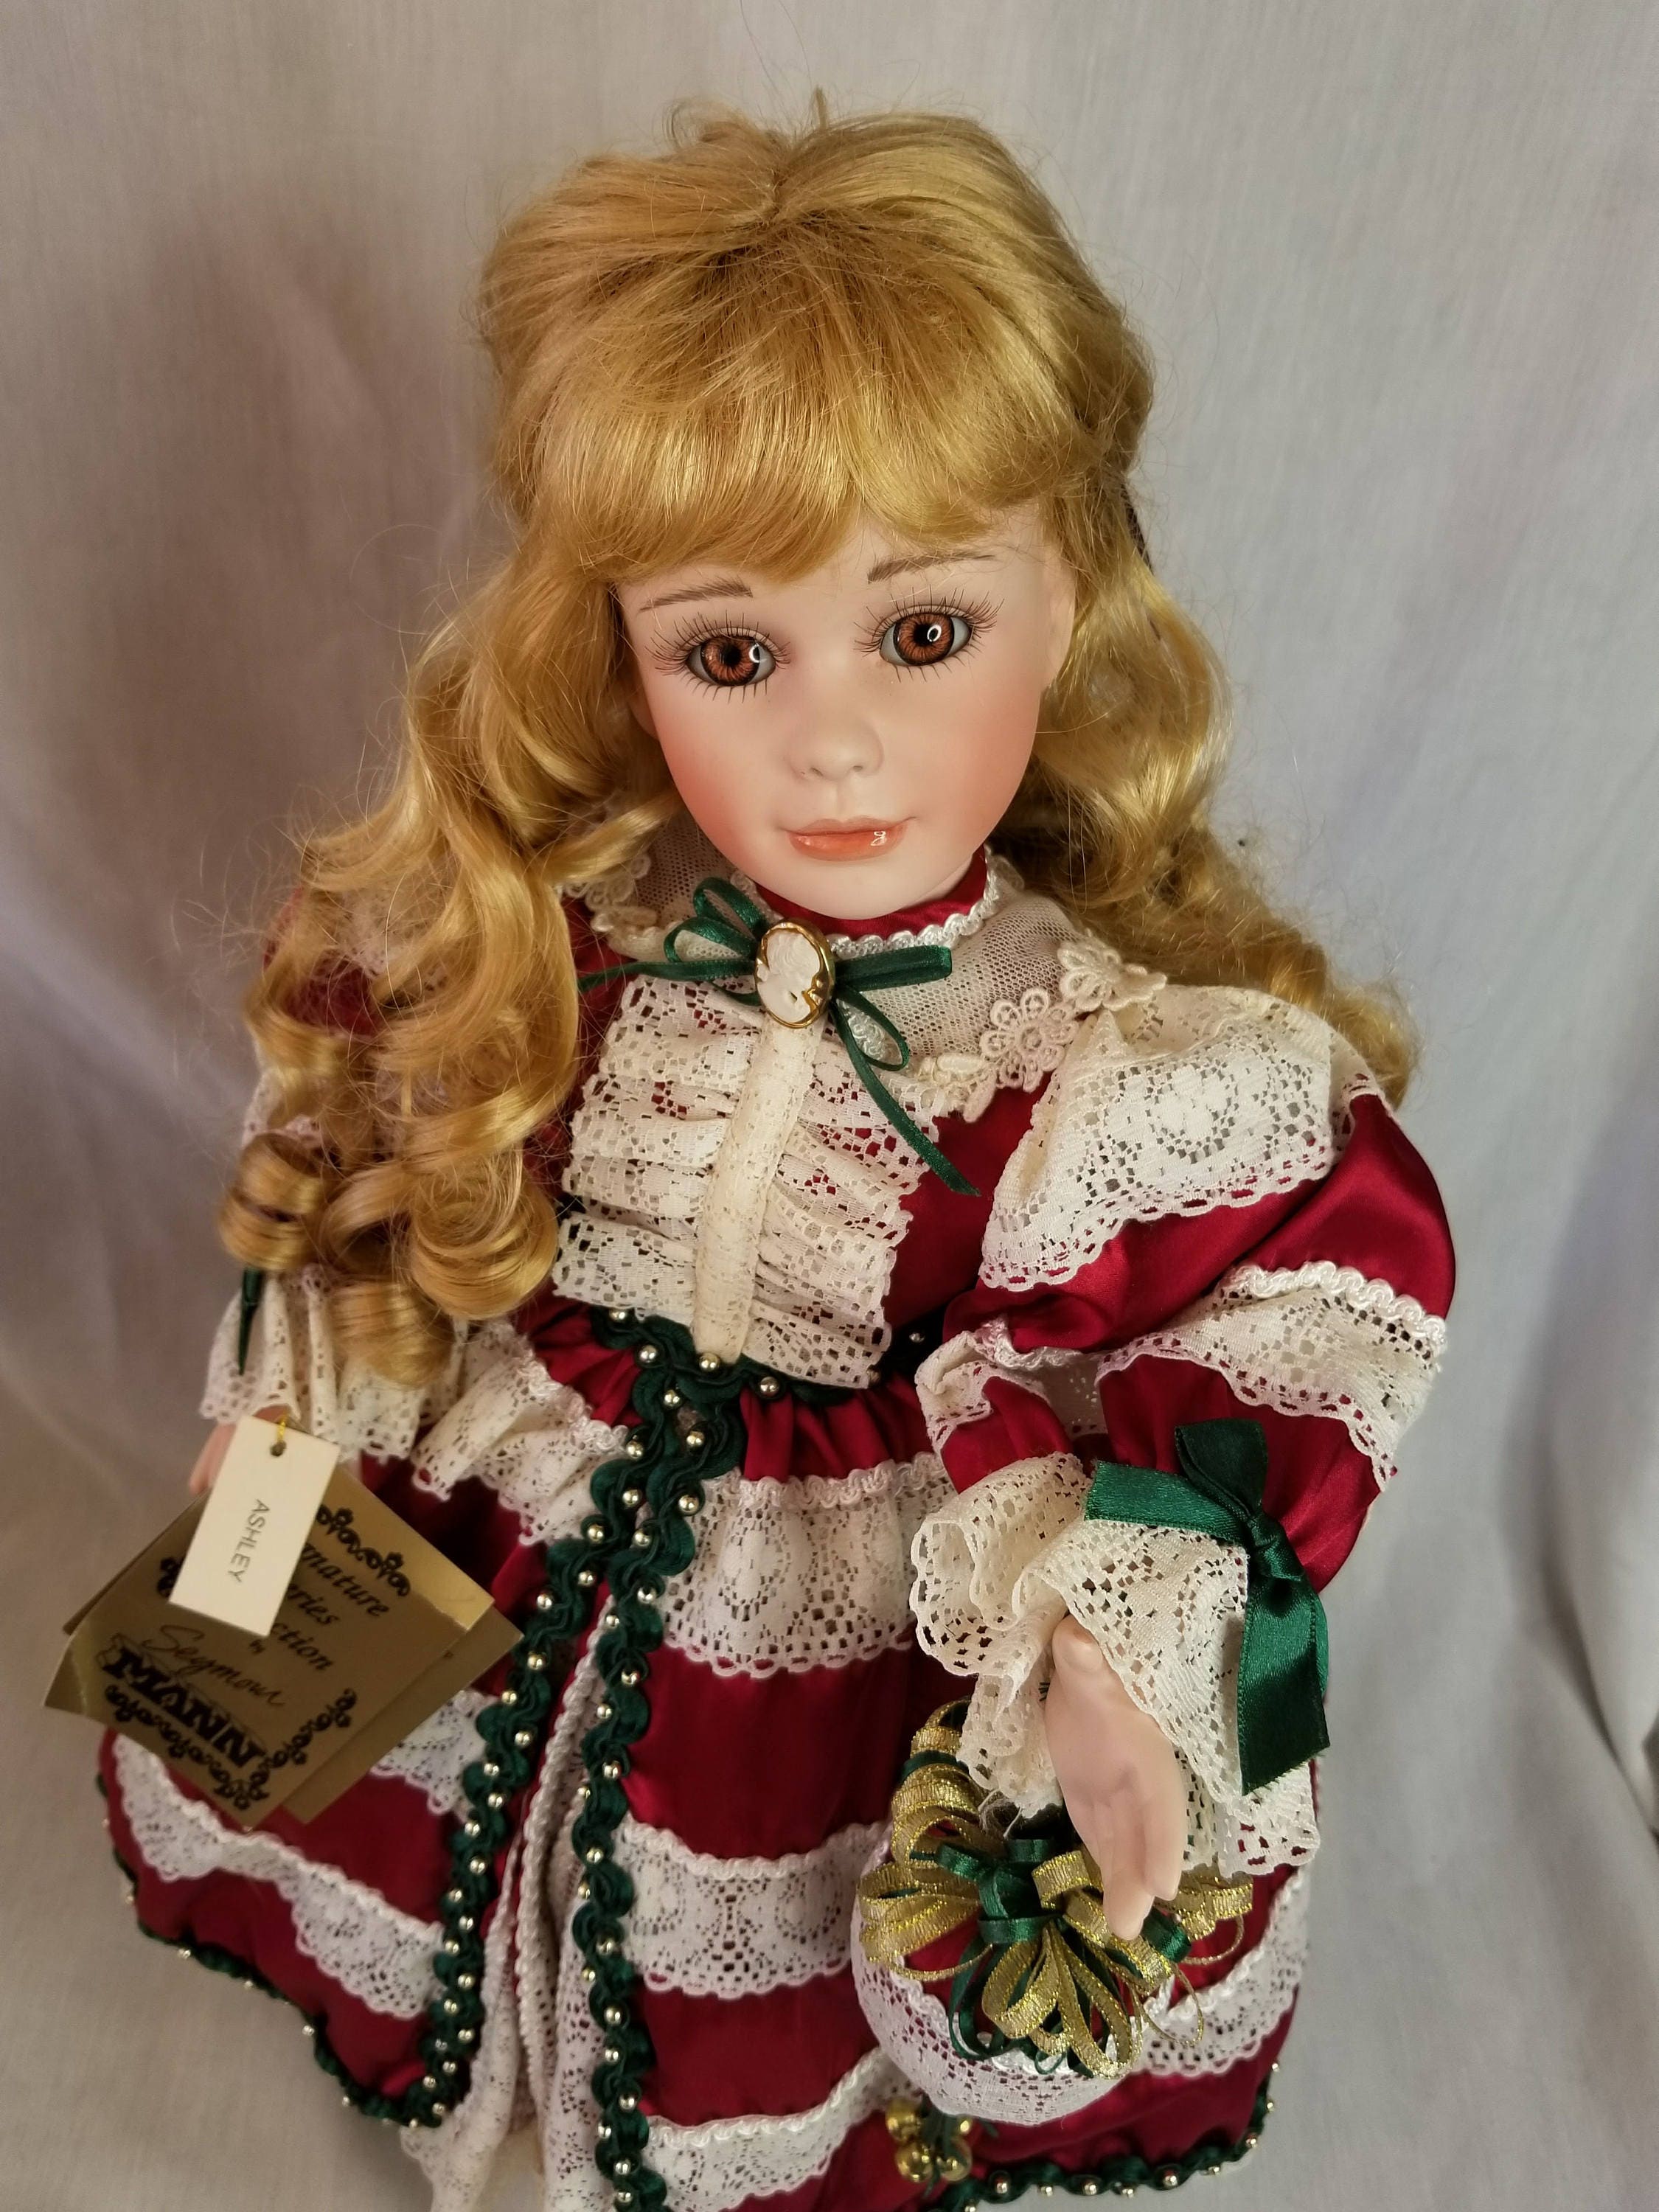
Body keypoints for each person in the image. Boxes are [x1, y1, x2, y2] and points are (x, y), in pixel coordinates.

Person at [104, 102, 1455, 2211]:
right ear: (624, 656)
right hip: (505, 1514)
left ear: (1067, 597)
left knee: (772, 1975)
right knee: (397, 1813)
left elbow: (1288, 1326)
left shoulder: (1122, 1074)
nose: (830, 742)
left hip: (849, 1638)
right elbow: (368, 1178)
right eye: (729, 652)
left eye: (921, 632)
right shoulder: (555, 945)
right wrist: (282, 1434)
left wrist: (1113, 1643)